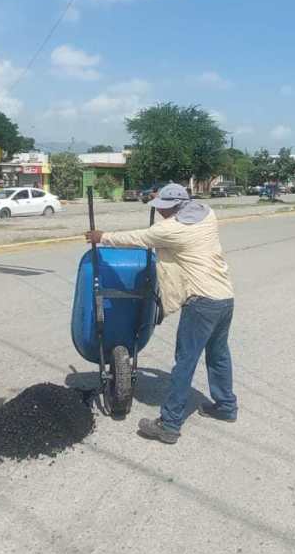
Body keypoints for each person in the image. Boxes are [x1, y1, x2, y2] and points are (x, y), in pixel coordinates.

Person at [85, 183, 236, 445]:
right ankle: (226, 406)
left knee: (185, 361)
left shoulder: (172, 229)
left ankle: (169, 424)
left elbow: (139, 238)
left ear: (173, 208)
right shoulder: (207, 213)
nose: (161, 212)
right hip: (224, 298)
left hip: (201, 303)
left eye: (163, 208)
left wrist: (102, 236)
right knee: (218, 354)